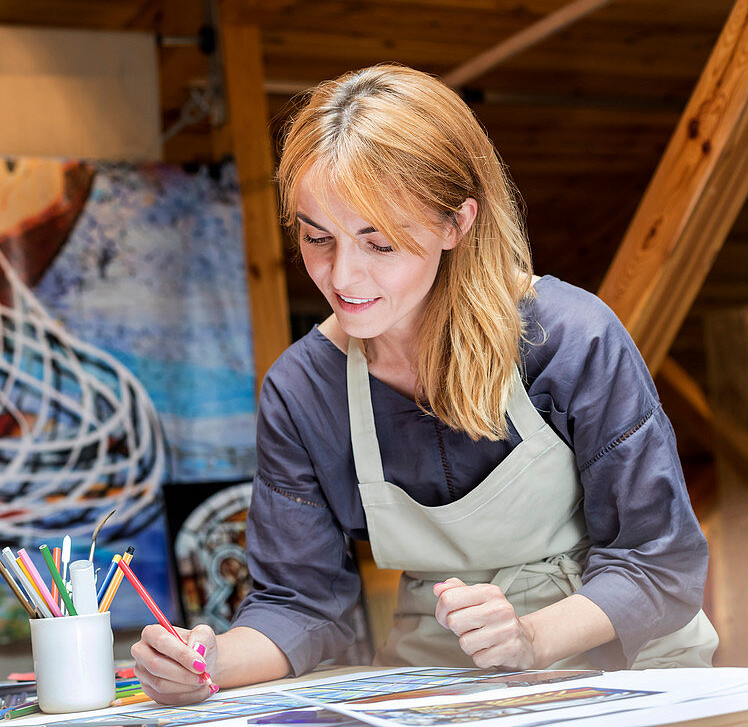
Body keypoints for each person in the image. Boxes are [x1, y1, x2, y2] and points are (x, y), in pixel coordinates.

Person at [131, 64, 718, 705]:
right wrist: (210, 659)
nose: (343, 276)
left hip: (627, 664)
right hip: (440, 681)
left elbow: (660, 560)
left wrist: (528, 640)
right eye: (316, 238)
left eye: (377, 242)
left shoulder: (570, 338)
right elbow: (300, 605)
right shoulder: (304, 390)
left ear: (455, 224)